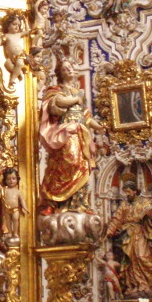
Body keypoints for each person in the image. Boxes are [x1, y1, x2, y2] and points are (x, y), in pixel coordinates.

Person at [39, 60, 98, 210]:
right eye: (65, 69)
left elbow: (86, 116)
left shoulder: (80, 92)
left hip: (81, 133)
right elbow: (55, 103)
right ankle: (59, 200)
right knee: (69, 161)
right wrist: (74, 99)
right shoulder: (56, 90)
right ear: (60, 73)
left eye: (71, 67)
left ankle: (78, 203)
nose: (69, 70)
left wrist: (99, 127)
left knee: (83, 164)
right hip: (67, 131)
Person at [106, 173, 152, 296]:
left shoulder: (144, 202)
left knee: (142, 256)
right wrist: (110, 230)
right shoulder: (124, 205)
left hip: (141, 232)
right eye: (125, 192)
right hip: (128, 235)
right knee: (130, 260)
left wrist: (149, 215)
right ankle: (135, 285)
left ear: (135, 191)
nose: (127, 194)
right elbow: (117, 219)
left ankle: (150, 283)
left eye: (129, 191)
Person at [0, 167, 26, 237]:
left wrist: (25, 207)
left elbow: (22, 200)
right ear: (5, 180)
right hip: (7, 209)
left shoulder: (17, 191)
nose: (11, 181)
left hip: (15, 209)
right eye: (8, 179)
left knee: (15, 219)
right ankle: (10, 232)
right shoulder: (4, 190)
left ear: (17, 179)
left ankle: (15, 232)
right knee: (8, 221)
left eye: (13, 178)